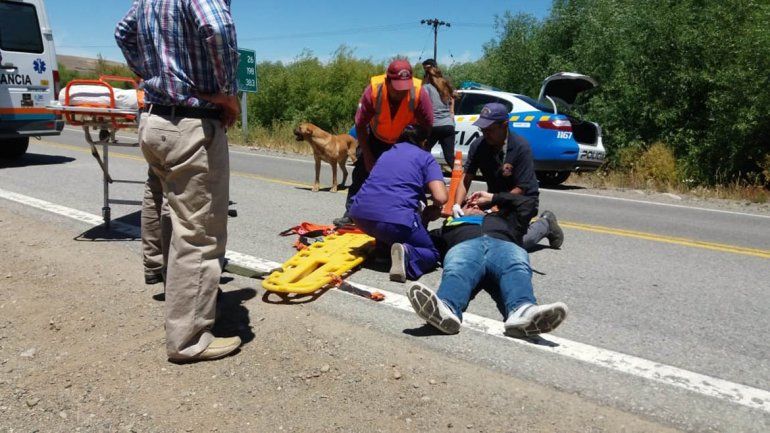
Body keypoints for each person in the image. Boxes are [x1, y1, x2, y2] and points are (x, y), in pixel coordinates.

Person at [116, 0, 241, 363]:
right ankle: (188, 339)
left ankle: (162, 276)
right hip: (191, 124)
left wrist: (154, 76)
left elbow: (123, 32)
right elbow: (217, 28)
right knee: (199, 231)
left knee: (162, 202)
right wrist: (227, 93)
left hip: (154, 120)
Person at [407, 191, 568, 337]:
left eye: (478, 203)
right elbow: (422, 241)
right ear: (460, 208)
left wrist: (494, 197)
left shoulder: (503, 217)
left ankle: (523, 312)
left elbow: (528, 203)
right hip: (465, 247)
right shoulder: (448, 225)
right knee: (457, 270)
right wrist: (425, 218)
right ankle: (445, 309)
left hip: (503, 246)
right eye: (468, 203)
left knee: (516, 267)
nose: (474, 204)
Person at [333, 59, 434, 227]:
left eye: (405, 88)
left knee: (412, 176)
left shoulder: (418, 92)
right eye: (397, 88)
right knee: (362, 173)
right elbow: (360, 124)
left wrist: (419, 152)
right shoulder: (373, 91)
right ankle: (351, 214)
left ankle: (417, 218)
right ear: (388, 81)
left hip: (405, 141)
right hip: (377, 137)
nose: (401, 92)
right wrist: (367, 155)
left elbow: (428, 124)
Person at [453, 102, 564, 251]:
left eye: (490, 129)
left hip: (521, 202)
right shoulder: (478, 145)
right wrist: (457, 205)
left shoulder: (520, 147)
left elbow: (521, 189)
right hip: (494, 199)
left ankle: (545, 223)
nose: (485, 133)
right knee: (477, 235)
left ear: (505, 125)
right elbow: (466, 177)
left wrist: (494, 205)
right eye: (482, 129)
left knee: (513, 244)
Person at [348, 126, 447, 282]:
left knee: (388, 215)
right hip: (395, 221)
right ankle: (408, 254)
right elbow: (441, 197)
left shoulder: (386, 154)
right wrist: (435, 209)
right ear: (424, 142)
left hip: (360, 215)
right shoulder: (425, 157)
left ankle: (383, 251)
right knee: (431, 253)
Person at [421, 59, 457, 166]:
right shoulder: (444, 85)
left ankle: (425, 176)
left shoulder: (426, 88)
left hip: (434, 125)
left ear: (426, 74)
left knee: (424, 151)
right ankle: (460, 179)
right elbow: (452, 98)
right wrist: (451, 114)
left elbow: (424, 107)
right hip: (448, 125)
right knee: (450, 157)